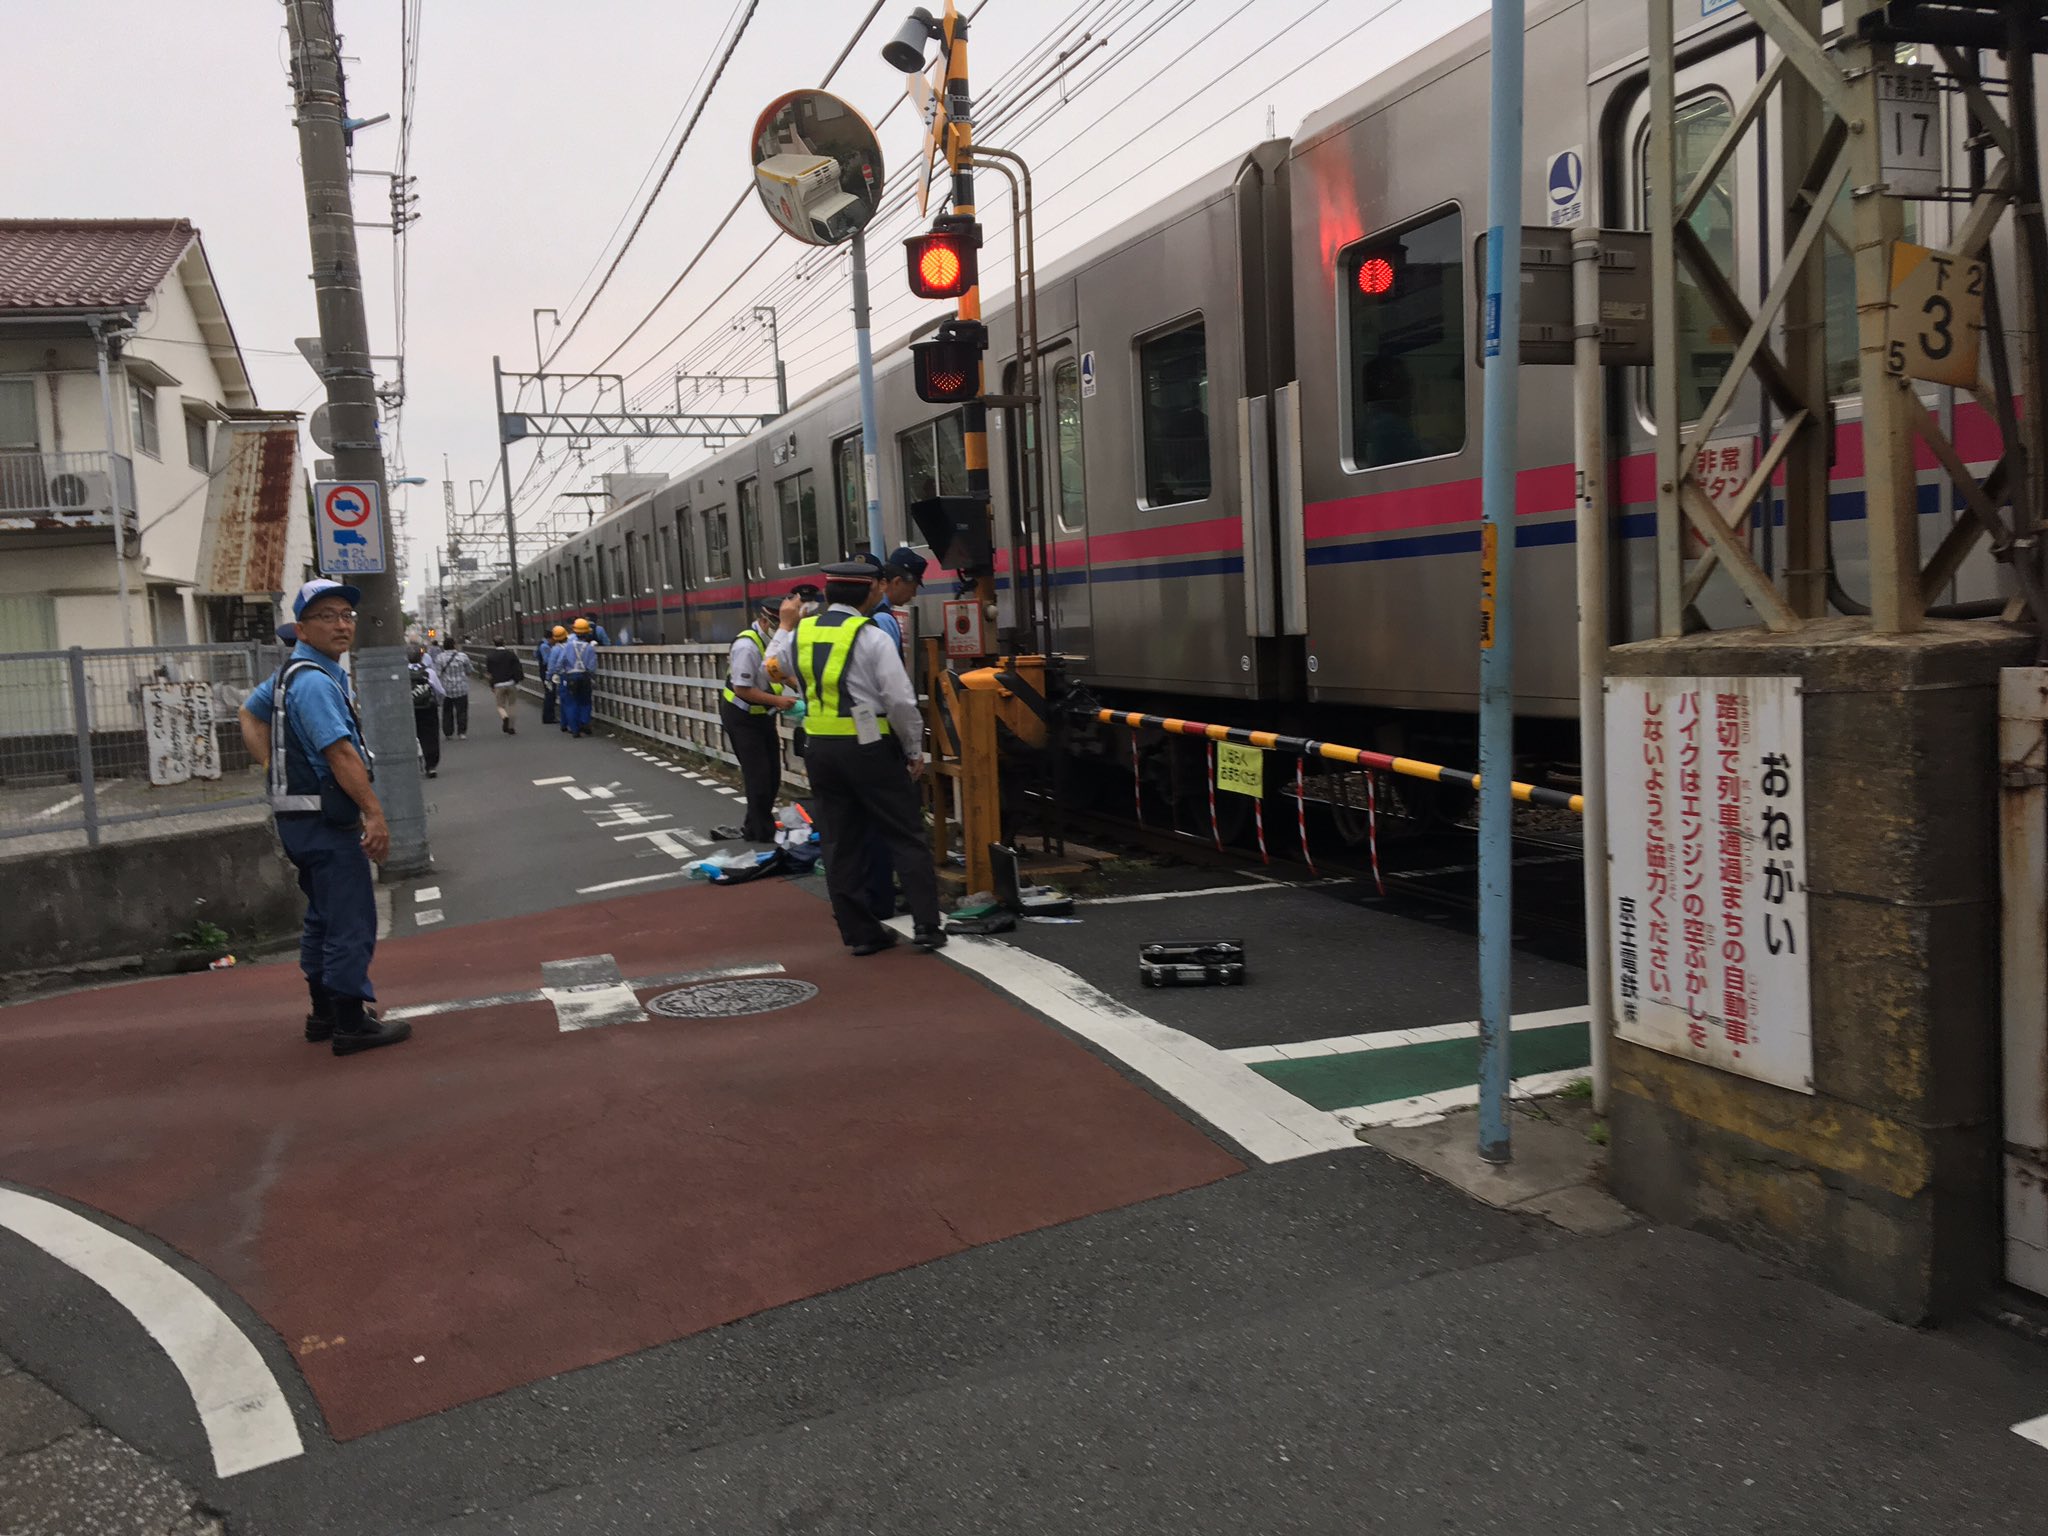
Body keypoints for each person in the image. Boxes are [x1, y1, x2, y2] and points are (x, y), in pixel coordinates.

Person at [236, 579, 411, 1056]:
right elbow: (339, 753)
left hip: (297, 820)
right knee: (351, 920)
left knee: (322, 917)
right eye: (327, 616)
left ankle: (323, 1012)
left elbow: (248, 715)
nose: (341, 624)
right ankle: (351, 1021)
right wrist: (374, 814)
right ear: (302, 629)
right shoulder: (314, 681)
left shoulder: (293, 674)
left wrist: (274, 768)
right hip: (325, 821)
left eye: (346, 615)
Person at [767, 561, 944, 955]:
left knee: (839, 842)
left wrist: (784, 625)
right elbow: (899, 700)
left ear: (828, 595)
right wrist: (914, 749)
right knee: (904, 834)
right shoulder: (871, 635)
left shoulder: (802, 634)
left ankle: (862, 934)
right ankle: (928, 926)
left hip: (820, 751)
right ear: (869, 593)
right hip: (870, 749)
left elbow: (774, 665)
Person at [862, 547, 927, 918]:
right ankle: (910, 904)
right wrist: (911, 748)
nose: (915, 593)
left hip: (849, 736)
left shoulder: (847, 621)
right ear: (896, 581)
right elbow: (896, 690)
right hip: (884, 734)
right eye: (914, 585)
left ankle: (874, 894)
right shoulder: (884, 622)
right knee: (900, 823)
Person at [715, 593, 803, 843]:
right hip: (741, 715)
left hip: (762, 714)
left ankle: (753, 826)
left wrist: (796, 684)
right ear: (764, 621)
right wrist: (779, 701)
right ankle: (762, 832)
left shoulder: (770, 642)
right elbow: (743, 689)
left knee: (772, 773)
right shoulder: (747, 645)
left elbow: (774, 669)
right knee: (758, 775)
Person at [552, 617, 599, 738]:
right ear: (587, 632)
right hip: (584, 676)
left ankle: (575, 729)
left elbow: (560, 662)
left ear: (575, 631)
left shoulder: (567, 646)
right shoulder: (589, 647)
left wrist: (558, 673)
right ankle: (584, 722)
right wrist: (593, 677)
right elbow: (592, 666)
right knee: (585, 701)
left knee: (571, 703)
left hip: (570, 676)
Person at [408, 643, 444, 777]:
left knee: (410, 736)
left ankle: (412, 764)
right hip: (428, 708)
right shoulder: (429, 672)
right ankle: (431, 766)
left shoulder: (402, 672)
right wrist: (438, 703)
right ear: (422, 656)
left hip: (409, 709)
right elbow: (440, 691)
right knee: (430, 736)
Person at [434, 636, 474, 740]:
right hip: (461, 688)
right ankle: (462, 732)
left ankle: (448, 732)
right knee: (462, 711)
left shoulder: (440, 658)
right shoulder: (463, 656)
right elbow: (469, 671)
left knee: (447, 712)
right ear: (454, 645)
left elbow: (437, 674)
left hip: (446, 689)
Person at [484, 639, 525, 733]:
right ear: (504, 643)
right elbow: (518, 668)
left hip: (498, 684)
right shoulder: (511, 654)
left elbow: (489, 673)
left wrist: (491, 685)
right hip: (511, 683)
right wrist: (518, 681)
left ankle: (505, 717)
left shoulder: (490, 656)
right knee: (512, 705)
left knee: (500, 706)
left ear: (494, 644)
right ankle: (511, 727)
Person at [539, 624, 565, 729]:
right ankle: (548, 717)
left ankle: (549, 716)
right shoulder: (545, 646)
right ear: (550, 638)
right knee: (550, 694)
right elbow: (546, 660)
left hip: (547, 671)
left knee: (550, 694)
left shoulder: (542, 645)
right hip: (547, 671)